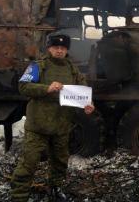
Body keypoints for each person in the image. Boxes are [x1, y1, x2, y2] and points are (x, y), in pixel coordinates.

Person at [11, 34, 95, 202]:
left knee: (60, 162)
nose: (59, 50)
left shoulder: (72, 68)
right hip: (38, 126)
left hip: (61, 125)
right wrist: (46, 88)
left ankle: (55, 189)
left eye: (62, 48)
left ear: (66, 50)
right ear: (49, 48)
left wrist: (89, 103)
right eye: (55, 47)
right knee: (30, 162)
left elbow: (83, 89)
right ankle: (19, 196)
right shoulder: (37, 66)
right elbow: (23, 86)